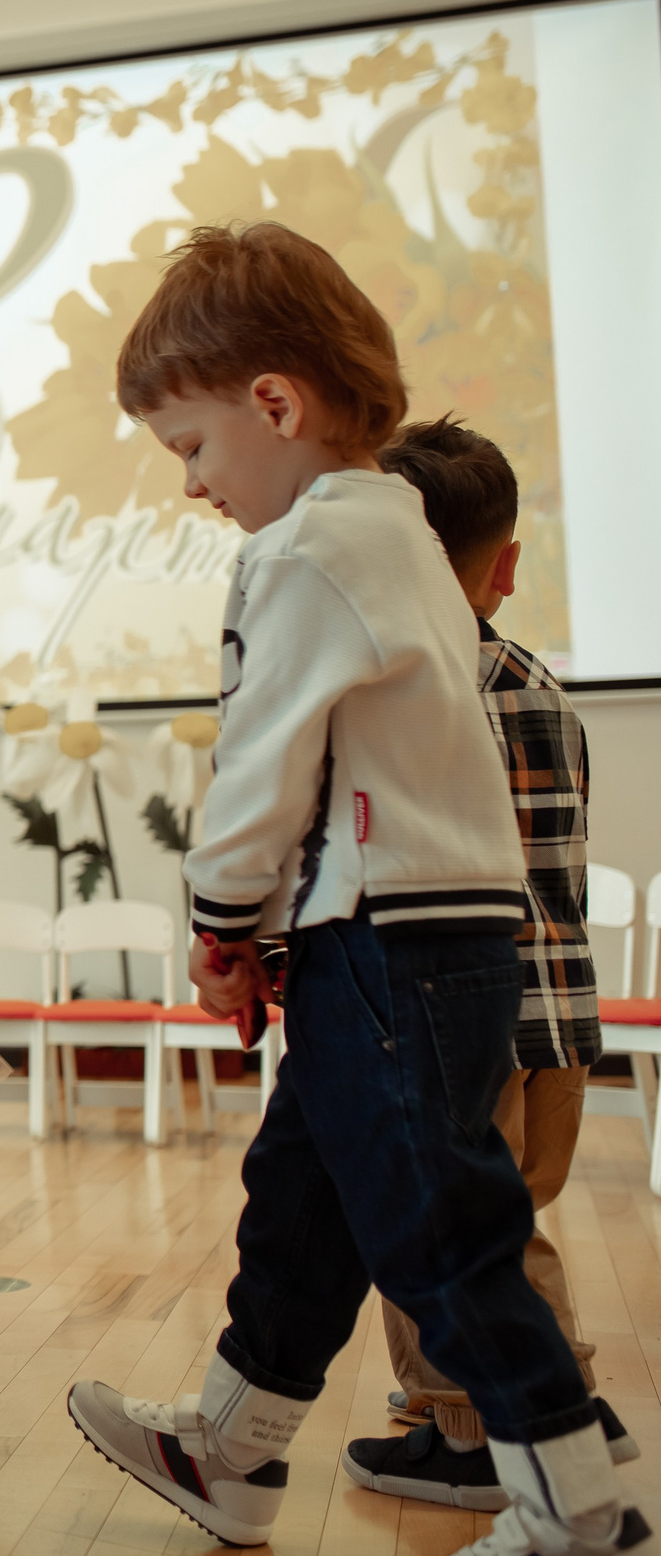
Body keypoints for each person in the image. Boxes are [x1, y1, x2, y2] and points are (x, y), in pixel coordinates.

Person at [65, 222, 646, 1556]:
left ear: (276, 402)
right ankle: (233, 1444)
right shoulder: (402, 536)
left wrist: (221, 919)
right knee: (311, 1199)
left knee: (439, 1222)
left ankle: (575, 1500)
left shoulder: (305, 553)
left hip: (388, 935)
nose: (196, 485)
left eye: (192, 447)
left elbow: (273, 761)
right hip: (414, 929)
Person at [341, 418, 637, 1505]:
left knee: (433, 1226)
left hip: (450, 1019)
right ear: (505, 566)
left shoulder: (394, 688)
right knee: (502, 1220)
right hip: (556, 1018)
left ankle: (470, 1431)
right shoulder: (539, 687)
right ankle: (546, 1406)